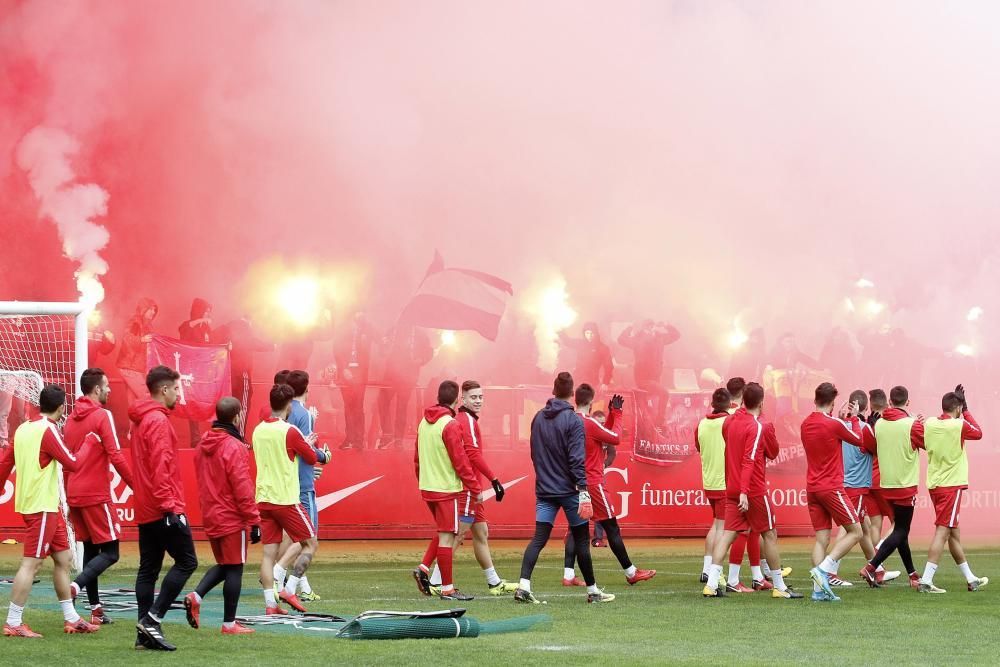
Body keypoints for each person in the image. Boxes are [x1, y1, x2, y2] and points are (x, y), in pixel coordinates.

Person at [0, 384, 97, 637]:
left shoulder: (23, 429)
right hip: (42, 506)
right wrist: (90, 441)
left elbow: (6, 461)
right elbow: (74, 463)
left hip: (41, 505)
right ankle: (13, 622)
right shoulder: (48, 430)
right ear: (62, 407)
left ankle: (71, 618)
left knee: (63, 559)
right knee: (31, 563)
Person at [514, 372, 614, 604]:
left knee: (539, 538)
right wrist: (583, 490)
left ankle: (523, 586)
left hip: (545, 489)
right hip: (569, 491)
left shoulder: (538, 417)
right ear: (571, 393)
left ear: (553, 390)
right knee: (581, 540)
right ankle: (592, 591)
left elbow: (534, 453)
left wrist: (544, 477)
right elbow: (576, 459)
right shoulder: (574, 420)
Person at [703, 382, 802, 599]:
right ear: (762, 402)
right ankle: (779, 586)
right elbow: (756, 457)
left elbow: (734, 447)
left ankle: (711, 584)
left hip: (732, 486)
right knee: (770, 534)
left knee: (728, 534)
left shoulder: (730, 421)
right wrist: (745, 492)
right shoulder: (758, 426)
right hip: (753, 489)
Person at [421, 381, 517, 596]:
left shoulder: (460, 419)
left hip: (468, 487)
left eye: (481, 397)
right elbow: (472, 454)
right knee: (455, 534)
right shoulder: (466, 421)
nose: (478, 401)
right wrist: (493, 480)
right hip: (467, 489)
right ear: (461, 400)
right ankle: (435, 580)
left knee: (480, 532)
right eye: (473, 397)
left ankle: (493, 582)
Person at [129, 365, 197, 651]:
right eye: (177, 389)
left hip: (146, 505)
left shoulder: (142, 419)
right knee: (187, 561)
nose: (179, 395)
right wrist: (170, 507)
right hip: (162, 507)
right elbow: (161, 466)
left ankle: (144, 635)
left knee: (149, 569)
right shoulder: (156, 420)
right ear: (165, 389)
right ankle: (152, 620)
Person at [184, 397, 262, 634]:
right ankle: (229, 623)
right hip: (230, 515)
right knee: (235, 568)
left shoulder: (203, 445)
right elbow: (242, 486)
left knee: (226, 565)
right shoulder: (234, 446)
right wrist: (254, 520)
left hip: (211, 513)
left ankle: (196, 596)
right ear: (237, 416)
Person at [566, 384, 656, 586]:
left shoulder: (572, 422)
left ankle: (568, 574)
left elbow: (600, 434)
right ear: (590, 402)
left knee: (577, 529)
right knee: (611, 527)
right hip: (593, 482)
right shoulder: (587, 423)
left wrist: (611, 415)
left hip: (576, 481)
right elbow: (614, 438)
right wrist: (618, 413)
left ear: (575, 399)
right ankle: (631, 573)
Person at [63, 368, 134, 625]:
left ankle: (95, 609)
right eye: (106, 385)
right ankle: (75, 586)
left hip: (74, 493)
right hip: (95, 492)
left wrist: (68, 497)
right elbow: (115, 454)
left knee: (91, 551)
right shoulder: (102, 416)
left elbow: (66, 459)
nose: (110, 389)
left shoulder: (70, 419)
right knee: (112, 551)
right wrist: (136, 484)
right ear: (96, 389)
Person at [254, 383, 323, 615]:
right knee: (310, 543)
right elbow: (311, 457)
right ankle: (290, 587)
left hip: (263, 498)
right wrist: (311, 445)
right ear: (289, 406)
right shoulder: (289, 431)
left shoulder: (258, 430)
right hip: (285, 498)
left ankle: (271, 606)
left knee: (268, 554)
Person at [799, 382, 870, 601]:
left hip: (813, 488)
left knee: (821, 539)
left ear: (815, 399)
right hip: (831, 487)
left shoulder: (805, 423)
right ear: (832, 402)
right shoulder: (834, 424)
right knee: (856, 531)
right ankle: (824, 570)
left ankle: (818, 591)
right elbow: (859, 441)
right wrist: (853, 418)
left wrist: (841, 420)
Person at [411, 381, 481, 600]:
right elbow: (460, 460)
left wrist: (422, 479)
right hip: (446, 489)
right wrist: (475, 486)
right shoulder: (450, 424)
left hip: (428, 486)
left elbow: (416, 458)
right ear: (457, 400)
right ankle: (447, 588)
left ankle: (424, 569)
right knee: (448, 536)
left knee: (444, 532)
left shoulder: (423, 422)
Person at [917, 386, 988, 593]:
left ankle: (970, 578)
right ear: (956, 408)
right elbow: (979, 432)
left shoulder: (930, 423)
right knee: (942, 530)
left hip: (935, 484)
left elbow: (921, 436)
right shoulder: (959, 425)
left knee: (952, 533)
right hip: (951, 485)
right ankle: (926, 580)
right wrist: (966, 409)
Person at [272, 370, 330, 602]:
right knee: (308, 539)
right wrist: (323, 456)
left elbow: (291, 446)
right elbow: (305, 449)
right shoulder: (302, 414)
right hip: (302, 483)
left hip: (285, 480)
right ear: (307, 388)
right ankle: (280, 578)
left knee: (293, 535)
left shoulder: (279, 415)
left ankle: (295, 586)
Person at [859, 385, 924, 589]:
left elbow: (868, 447)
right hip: (904, 485)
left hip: (886, 485)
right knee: (901, 530)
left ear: (890, 402)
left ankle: (913, 575)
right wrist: (919, 423)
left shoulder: (879, 424)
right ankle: (872, 566)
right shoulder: (911, 424)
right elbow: (928, 443)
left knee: (900, 530)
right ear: (907, 402)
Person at [720, 377, 769, 593]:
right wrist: (743, 490)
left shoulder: (729, 420)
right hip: (746, 484)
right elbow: (751, 458)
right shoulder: (752, 423)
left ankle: (717, 578)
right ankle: (734, 579)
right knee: (746, 531)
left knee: (740, 530)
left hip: (732, 480)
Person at [831, 389, 879, 587]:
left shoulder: (840, 424)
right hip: (857, 484)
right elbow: (875, 450)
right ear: (866, 407)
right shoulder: (863, 427)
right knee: (849, 527)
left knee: (864, 527)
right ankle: (830, 569)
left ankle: (877, 568)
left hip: (845, 481)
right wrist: (873, 428)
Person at [862, 388, 900, 584]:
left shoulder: (868, 423)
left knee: (876, 524)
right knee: (898, 524)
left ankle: (877, 567)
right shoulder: (889, 422)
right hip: (885, 480)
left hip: (869, 479)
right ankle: (877, 559)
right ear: (887, 404)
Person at [212, 316, 273, 433]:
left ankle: (225, 433)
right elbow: (253, 343)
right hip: (242, 373)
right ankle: (239, 436)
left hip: (228, 373)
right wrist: (272, 346)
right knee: (243, 405)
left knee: (227, 405)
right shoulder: (244, 328)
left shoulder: (228, 326)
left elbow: (213, 336)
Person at [378, 324, 434, 449]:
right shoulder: (392, 330)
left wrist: (421, 360)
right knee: (382, 401)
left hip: (408, 375)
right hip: (390, 375)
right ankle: (387, 434)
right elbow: (382, 349)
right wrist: (384, 348)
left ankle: (398, 439)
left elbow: (429, 352)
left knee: (401, 407)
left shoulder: (420, 334)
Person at [696, 388, 731, 585]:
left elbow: (699, 446)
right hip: (724, 482)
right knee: (723, 529)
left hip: (709, 482)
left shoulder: (702, 423)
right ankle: (715, 573)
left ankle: (707, 569)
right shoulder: (729, 422)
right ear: (728, 404)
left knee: (717, 525)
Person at [617, 320, 680, 427]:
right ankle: (659, 422)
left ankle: (648, 424)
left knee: (650, 401)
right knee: (664, 393)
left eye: (652, 327)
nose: (651, 330)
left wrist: (666, 325)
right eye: (649, 328)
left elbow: (676, 335)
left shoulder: (659, 339)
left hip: (655, 378)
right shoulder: (638, 339)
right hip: (643, 379)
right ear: (644, 329)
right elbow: (621, 339)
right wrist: (629, 328)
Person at [333, 311, 376, 450]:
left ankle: (359, 440)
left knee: (358, 407)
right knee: (348, 407)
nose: (359, 315)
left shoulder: (366, 331)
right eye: (357, 312)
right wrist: (343, 368)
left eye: (362, 313)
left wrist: (365, 334)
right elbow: (337, 350)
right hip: (345, 372)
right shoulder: (343, 329)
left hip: (360, 374)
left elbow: (372, 348)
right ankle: (349, 438)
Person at [178, 298, 214, 447]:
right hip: (190, 370)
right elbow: (183, 330)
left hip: (204, 370)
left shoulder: (206, 328)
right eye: (206, 311)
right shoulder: (188, 325)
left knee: (208, 400)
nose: (208, 315)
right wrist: (200, 320)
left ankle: (214, 434)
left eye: (209, 312)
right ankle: (195, 438)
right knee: (192, 402)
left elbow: (213, 343)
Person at [117, 297, 158, 406]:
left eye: (154, 310)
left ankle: (136, 423)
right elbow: (127, 339)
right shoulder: (136, 322)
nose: (153, 312)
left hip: (137, 368)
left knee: (135, 404)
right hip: (130, 368)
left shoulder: (148, 326)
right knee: (148, 397)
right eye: (151, 309)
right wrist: (141, 339)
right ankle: (156, 422)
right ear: (143, 309)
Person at [558, 322, 614, 389]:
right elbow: (567, 341)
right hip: (577, 381)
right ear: (584, 333)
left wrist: (605, 382)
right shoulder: (580, 343)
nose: (589, 336)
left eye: (592, 333)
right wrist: (559, 329)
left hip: (592, 382)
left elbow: (609, 366)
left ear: (596, 333)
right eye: (587, 333)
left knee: (589, 399)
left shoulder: (602, 348)